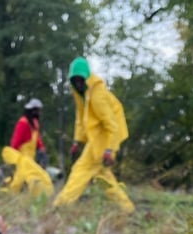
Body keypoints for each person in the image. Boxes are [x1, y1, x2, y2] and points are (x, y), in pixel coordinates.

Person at [52, 57, 134, 213]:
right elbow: (81, 117)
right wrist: (77, 140)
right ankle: (127, 208)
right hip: (97, 137)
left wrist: (109, 149)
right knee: (103, 176)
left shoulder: (97, 95)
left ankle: (61, 205)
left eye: (80, 80)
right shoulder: (79, 93)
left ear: (86, 77)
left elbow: (111, 124)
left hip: (106, 137)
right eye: (74, 80)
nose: (77, 84)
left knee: (81, 170)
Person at [10, 98, 48, 167]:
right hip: (21, 159)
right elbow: (15, 141)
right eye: (38, 111)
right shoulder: (22, 123)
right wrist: (13, 157)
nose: (39, 113)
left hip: (30, 159)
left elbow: (37, 139)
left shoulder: (35, 123)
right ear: (33, 111)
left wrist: (42, 149)